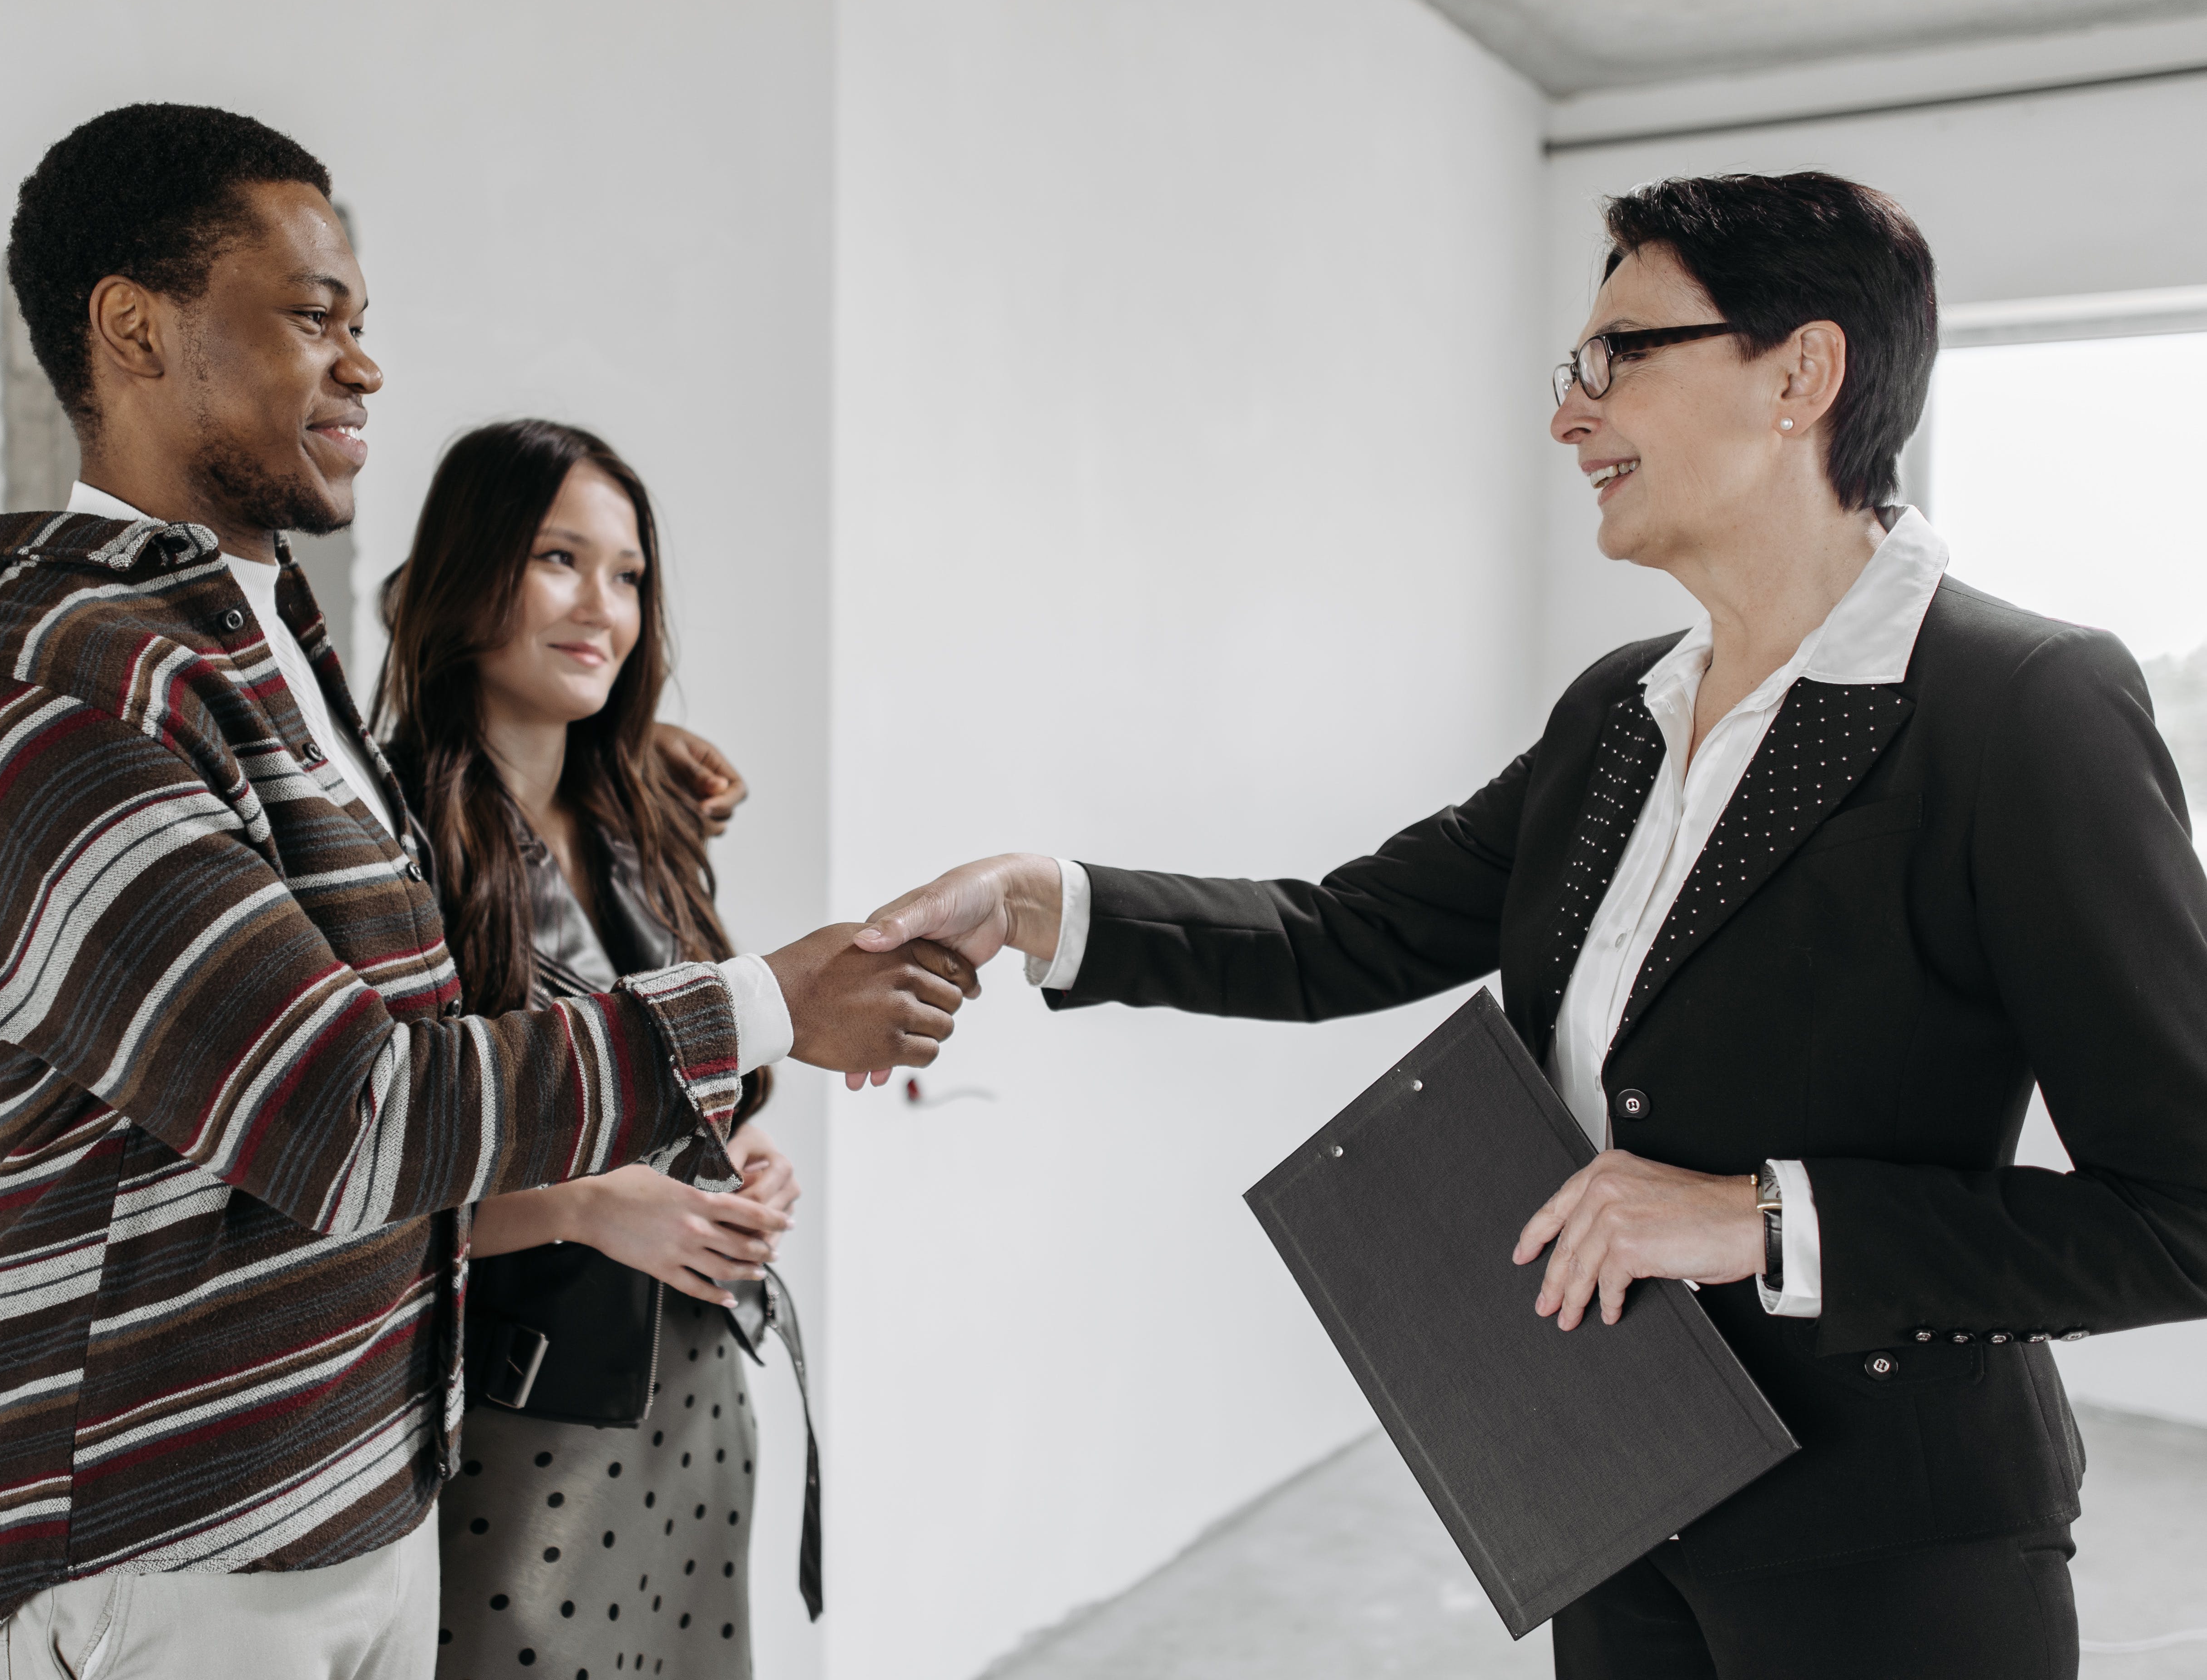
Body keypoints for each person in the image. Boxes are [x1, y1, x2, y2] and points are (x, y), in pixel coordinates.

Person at [853, 172, 2207, 1677]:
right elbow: (1339, 933)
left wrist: (1755, 1215)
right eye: (1576, 365)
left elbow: (2185, 1211)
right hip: (1614, 1491)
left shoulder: (2023, 708)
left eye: (1621, 353)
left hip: (1888, 1550)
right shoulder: (1619, 714)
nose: (1570, 416)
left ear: (1800, 375)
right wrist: (1044, 903)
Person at [0, 103, 969, 1679]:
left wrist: (647, 775)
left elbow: (429, 1007)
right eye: (314, 320)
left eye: (364, 324)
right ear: (133, 330)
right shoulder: (53, 689)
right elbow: (351, 1111)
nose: (366, 365)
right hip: (167, 1535)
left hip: (370, 1489)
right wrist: (766, 1001)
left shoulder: (256, 652)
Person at [374, 418, 799, 1678]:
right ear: (467, 574)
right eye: (559, 559)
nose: (601, 608)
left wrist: (745, 1157)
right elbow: (358, 1170)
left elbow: (690, 1081)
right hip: (518, 1419)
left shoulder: (645, 818)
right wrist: (588, 1208)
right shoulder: (390, 842)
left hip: (701, 1387)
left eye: (627, 575)